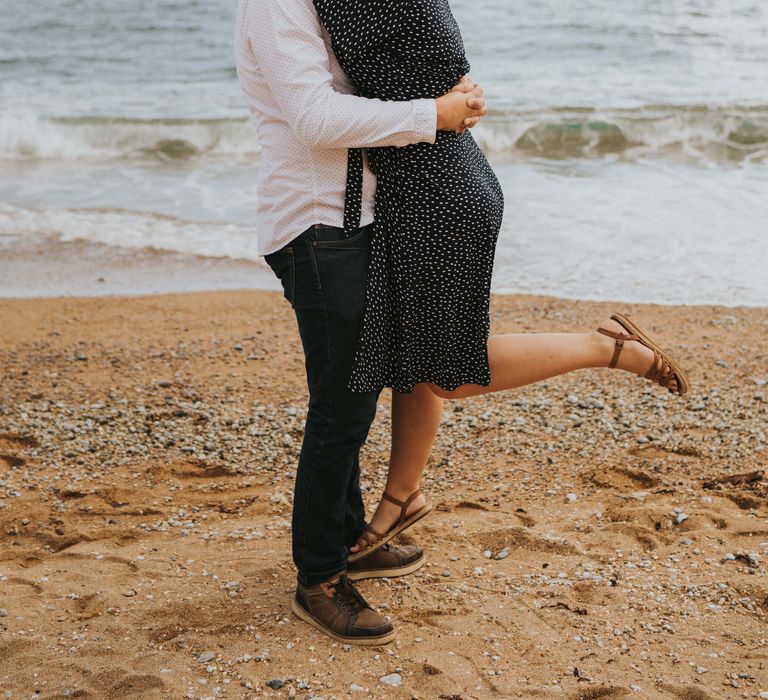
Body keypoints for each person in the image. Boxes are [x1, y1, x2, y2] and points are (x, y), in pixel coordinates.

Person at [310, 0, 691, 577]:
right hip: (419, 191)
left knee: (450, 374)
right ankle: (400, 499)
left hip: (441, 195)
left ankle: (607, 346)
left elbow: (367, 96)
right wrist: (451, 101)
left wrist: (450, 103)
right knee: (411, 359)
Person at [234, 0, 488, 645]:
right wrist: (434, 114)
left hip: (363, 220)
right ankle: (318, 577)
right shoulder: (274, 5)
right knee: (341, 406)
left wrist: (449, 94)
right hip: (316, 226)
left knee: (358, 393)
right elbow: (318, 119)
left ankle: (347, 536)